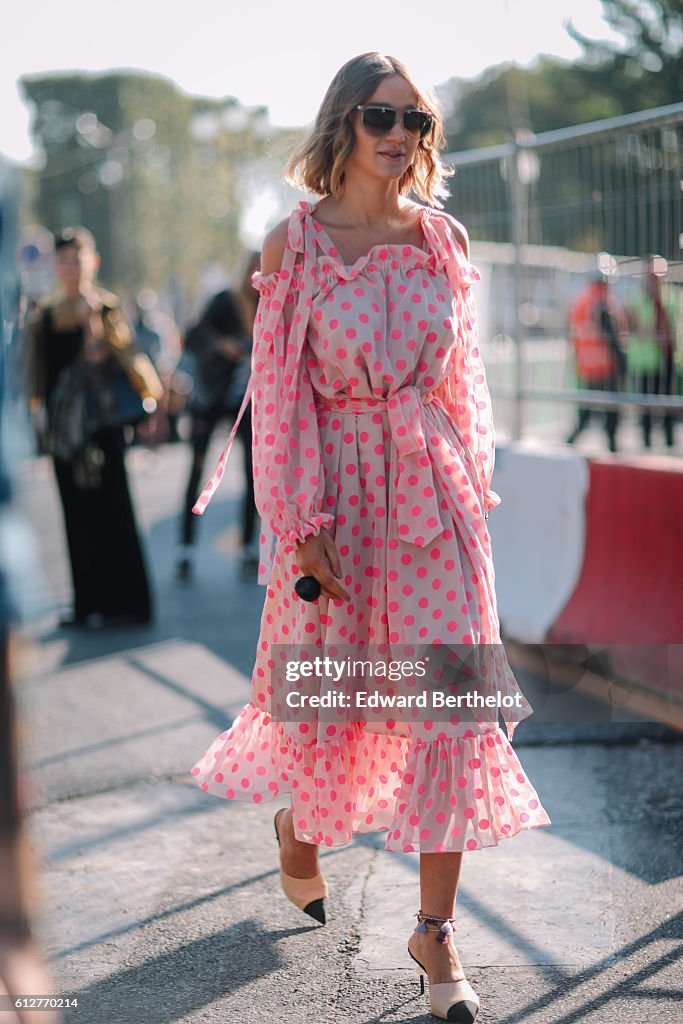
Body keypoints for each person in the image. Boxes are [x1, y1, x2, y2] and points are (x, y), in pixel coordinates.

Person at [190, 53, 550, 1023]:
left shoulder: (442, 239)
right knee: (327, 702)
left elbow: (459, 382)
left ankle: (433, 934)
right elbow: (278, 399)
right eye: (381, 116)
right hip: (333, 497)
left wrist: (468, 489)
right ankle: (299, 832)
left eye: (418, 122)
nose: (400, 136)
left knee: (448, 711)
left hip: (430, 502)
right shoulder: (292, 246)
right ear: (341, 124)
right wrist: (299, 528)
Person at [27, 227, 161, 628]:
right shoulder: (45, 316)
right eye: (64, 259)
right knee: (75, 513)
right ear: (55, 265)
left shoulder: (105, 308)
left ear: (92, 262)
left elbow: (119, 357)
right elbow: (38, 377)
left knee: (114, 509)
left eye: (77, 258)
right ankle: (88, 604)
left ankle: (130, 605)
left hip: (102, 427)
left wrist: (92, 325)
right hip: (65, 432)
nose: (70, 266)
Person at [175, 253, 260, 581]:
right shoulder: (226, 301)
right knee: (196, 469)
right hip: (210, 395)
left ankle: (247, 546)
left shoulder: (270, 301)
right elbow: (194, 334)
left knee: (252, 473)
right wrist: (222, 345)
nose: (258, 274)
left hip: (244, 397)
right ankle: (185, 546)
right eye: (254, 267)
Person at [565, 274, 627, 453]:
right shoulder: (603, 301)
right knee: (611, 413)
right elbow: (612, 337)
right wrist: (622, 362)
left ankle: (569, 443)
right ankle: (613, 449)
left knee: (587, 412)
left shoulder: (581, 300)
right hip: (605, 367)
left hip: (588, 366)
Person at [627, 268, 678, 448]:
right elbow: (633, 326)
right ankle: (646, 442)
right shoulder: (638, 299)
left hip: (666, 359)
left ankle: (669, 441)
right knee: (646, 405)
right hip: (644, 361)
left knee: (668, 403)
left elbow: (672, 328)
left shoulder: (670, 297)